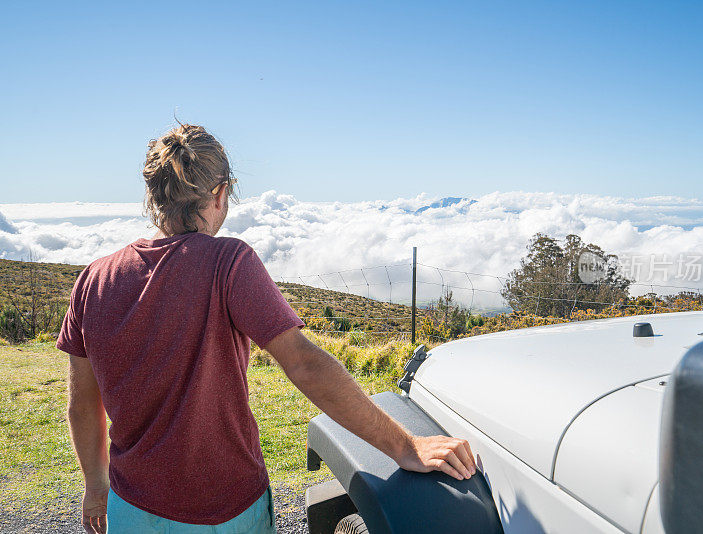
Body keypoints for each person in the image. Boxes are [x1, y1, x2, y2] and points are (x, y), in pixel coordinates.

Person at [57, 124, 476, 534]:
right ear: (220, 194)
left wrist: (96, 488)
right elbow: (305, 364)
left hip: (131, 509)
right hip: (224, 511)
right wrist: (406, 447)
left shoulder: (93, 279)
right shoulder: (229, 262)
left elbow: (82, 405)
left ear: (153, 196)